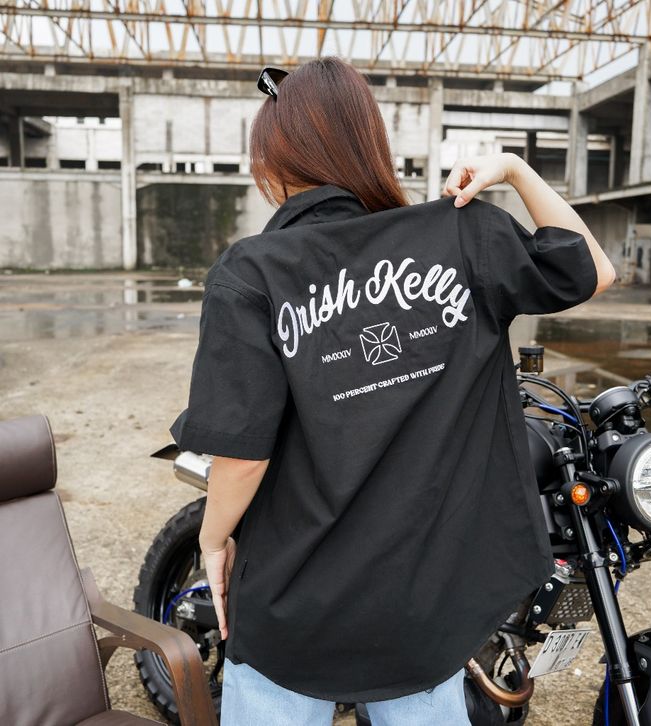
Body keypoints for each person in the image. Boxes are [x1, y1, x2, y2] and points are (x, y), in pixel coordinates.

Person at [169, 56, 616, 726]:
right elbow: (594, 269)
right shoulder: (465, 235)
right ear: (368, 144)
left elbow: (242, 453)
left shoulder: (252, 271)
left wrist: (213, 539)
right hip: (422, 608)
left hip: (293, 604)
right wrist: (516, 172)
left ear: (273, 159)